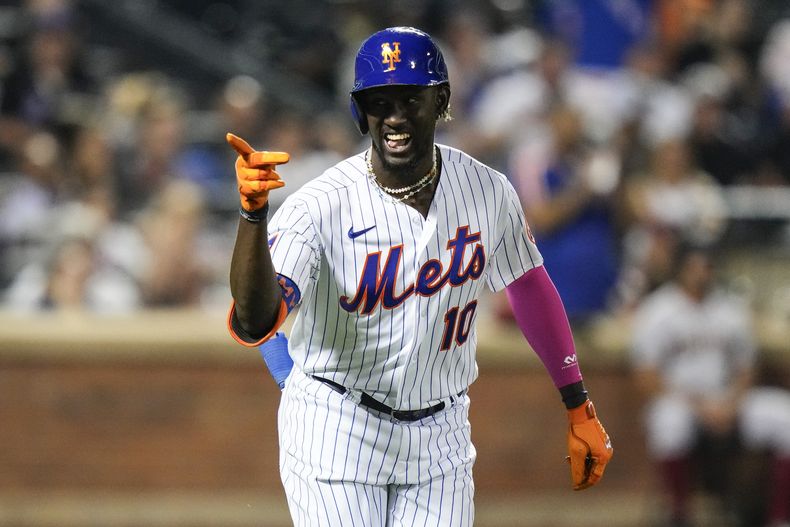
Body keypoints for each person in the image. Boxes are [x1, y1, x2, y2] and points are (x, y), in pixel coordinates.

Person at [225, 26, 613, 526]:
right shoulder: (318, 205)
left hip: (441, 434)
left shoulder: (488, 190)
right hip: (339, 425)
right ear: (360, 112)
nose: (395, 116)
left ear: (442, 100)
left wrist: (577, 403)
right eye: (379, 101)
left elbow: (528, 284)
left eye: (410, 98)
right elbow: (258, 320)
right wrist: (253, 217)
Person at [631, 244, 790, 527]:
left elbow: (746, 368)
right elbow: (646, 376)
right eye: (695, 267)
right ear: (680, 270)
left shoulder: (730, 308)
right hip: (681, 400)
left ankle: (779, 518)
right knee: (668, 422)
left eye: (707, 267)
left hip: (728, 400)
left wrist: (732, 403)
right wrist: (700, 406)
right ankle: (680, 515)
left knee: (784, 417)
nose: (702, 274)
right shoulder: (658, 309)